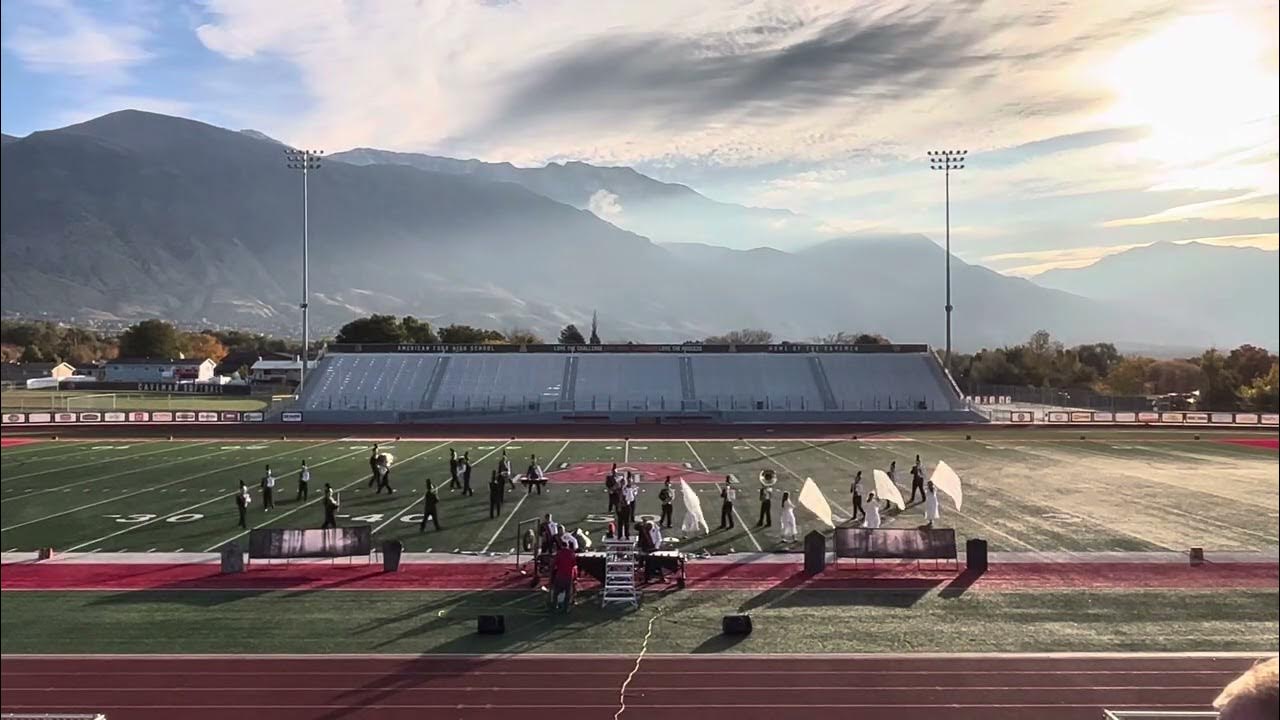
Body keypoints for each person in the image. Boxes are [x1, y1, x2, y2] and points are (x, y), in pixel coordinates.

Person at [550, 541, 578, 612]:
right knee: (567, 594)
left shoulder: (559, 553)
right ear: (568, 545)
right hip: (569, 576)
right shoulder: (571, 553)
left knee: (556, 592)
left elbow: (553, 564)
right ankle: (566, 608)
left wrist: (552, 572)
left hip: (560, 576)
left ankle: (554, 606)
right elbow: (574, 565)